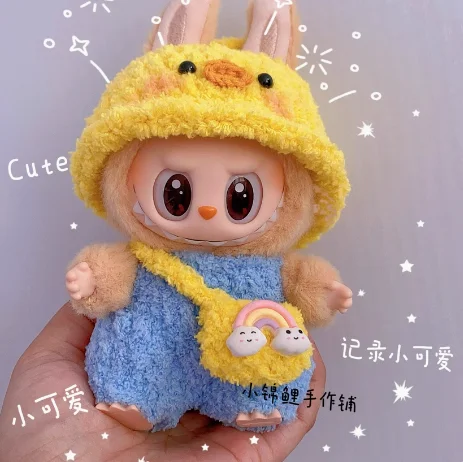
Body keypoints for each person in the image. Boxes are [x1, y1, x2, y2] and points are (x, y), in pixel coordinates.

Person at [0, 302, 326, 462]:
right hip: (167, 355)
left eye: (240, 201)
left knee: (264, 362)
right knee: (140, 344)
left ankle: (254, 406)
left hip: (241, 347)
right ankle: (137, 403)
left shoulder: (271, 263)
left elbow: (308, 285)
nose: (208, 211)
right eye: (177, 197)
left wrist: (324, 295)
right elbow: (109, 274)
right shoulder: (144, 256)